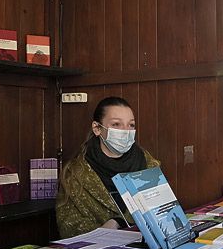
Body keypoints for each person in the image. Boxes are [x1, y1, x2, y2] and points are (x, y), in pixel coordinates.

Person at [56, 96, 160, 238]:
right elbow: (68, 226)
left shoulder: (149, 164)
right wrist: (103, 231)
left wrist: (119, 222)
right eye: (116, 124)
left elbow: (161, 210)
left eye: (131, 125)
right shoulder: (76, 173)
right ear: (97, 128)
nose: (126, 131)